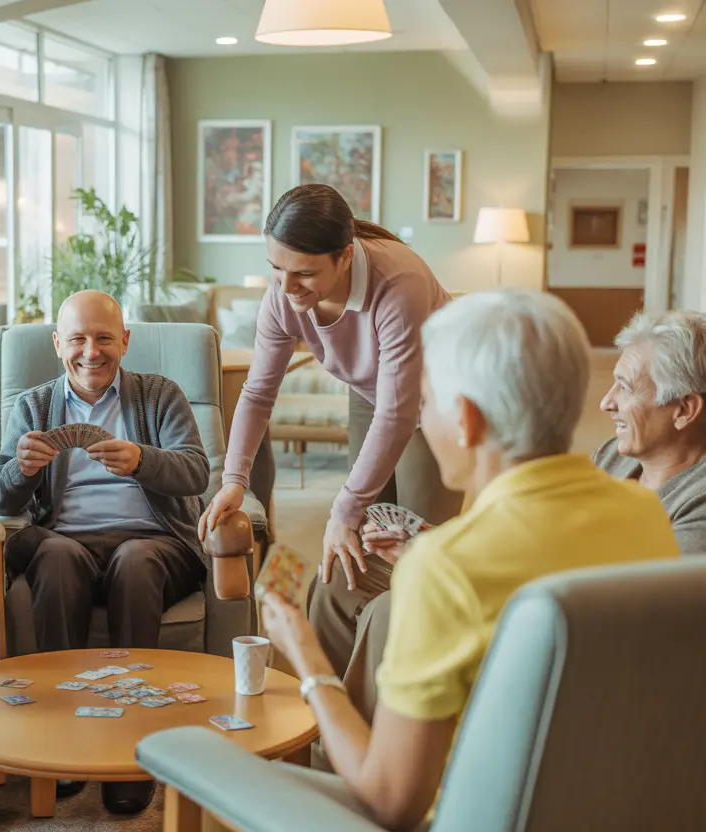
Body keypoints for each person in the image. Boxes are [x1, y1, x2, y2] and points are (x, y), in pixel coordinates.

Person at [259, 290, 678, 830]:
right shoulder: (644, 513)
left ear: (466, 420)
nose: (420, 418)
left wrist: (305, 655)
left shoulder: (445, 569)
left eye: (426, 402)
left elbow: (392, 801)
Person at [200, 183, 464, 678]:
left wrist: (342, 509)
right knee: (361, 541)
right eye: (276, 269)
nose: (286, 287)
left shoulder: (398, 279)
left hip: (444, 404)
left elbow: (400, 410)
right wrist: (234, 480)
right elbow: (257, 393)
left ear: (345, 257)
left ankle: (415, 682)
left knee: (421, 546)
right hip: (374, 395)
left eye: (303, 273)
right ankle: (340, 683)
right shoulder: (283, 298)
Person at [0, 290, 209, 815]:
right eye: (78, 339)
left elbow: (196, 471)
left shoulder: (159, 395)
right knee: (56, 557)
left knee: (135, 562)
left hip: (153, 540)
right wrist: (23, 469)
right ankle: (63, 739)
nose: (92, 351)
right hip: (67, 541)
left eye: (104, 337)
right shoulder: (34, 405)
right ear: (57, 343)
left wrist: (141, 459)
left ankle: (131, 751)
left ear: (125, 341)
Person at [594, 310, 706, 554]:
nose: (606, 403)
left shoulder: (699, 504)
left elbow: (651, 588)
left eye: (625, 388)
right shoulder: (610, 455)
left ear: (685, 410)